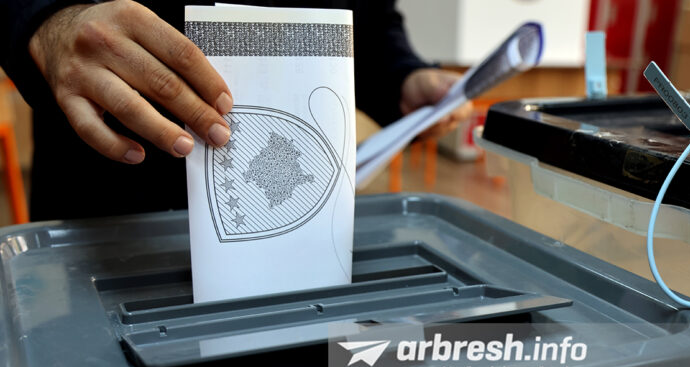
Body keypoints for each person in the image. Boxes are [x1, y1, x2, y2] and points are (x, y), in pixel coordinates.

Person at [0, 0, 470, 221]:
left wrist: (401, 76)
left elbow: (369, 16)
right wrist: (46, 21)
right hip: (107, 205)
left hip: (305, 228)